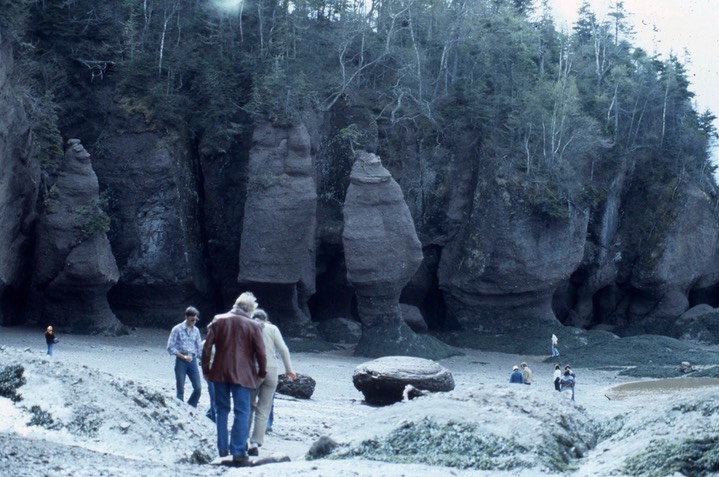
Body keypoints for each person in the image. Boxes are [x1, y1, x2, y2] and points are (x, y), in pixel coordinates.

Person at [202, 292, 267, 467]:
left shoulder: (218, 319)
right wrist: (261, 374)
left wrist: (206, 370)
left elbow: (207, 347)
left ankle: (222, 449)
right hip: (243, 375)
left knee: (221, 410)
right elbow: (261, 353)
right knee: (242, 412)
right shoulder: (253, 325)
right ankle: (238, 451)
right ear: (249, 309)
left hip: (219, 372)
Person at [247, 309, 296, 456]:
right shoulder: (273, 328)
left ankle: (243, 440)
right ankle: (255, 443)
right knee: (264, 409)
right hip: (271, 371)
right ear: (266, 319)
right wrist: (289, 370)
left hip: (253, 371)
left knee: (248, 406)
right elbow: (284, 350)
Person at [166, 306, 203, 407]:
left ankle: (190, 407)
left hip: (192, 360)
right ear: (186, 317)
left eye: (196, 320)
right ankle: (180, 410)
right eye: (192, 319)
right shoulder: (177, 329)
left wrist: (203, 360)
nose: (194, 322)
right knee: (180, 388)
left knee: (198, 388)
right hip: (181, 360)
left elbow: (199, 347)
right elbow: (170, 347)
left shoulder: (196, 331)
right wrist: (183, 357)